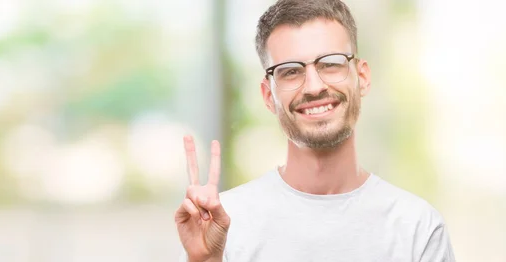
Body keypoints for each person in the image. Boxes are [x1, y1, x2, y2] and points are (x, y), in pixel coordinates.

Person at [174, 0, 455, 261]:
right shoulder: (224, 224)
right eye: (290, 71)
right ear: (268, 96)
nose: (313, 86)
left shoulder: (417, 228)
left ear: (362, 77)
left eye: (331, 64)